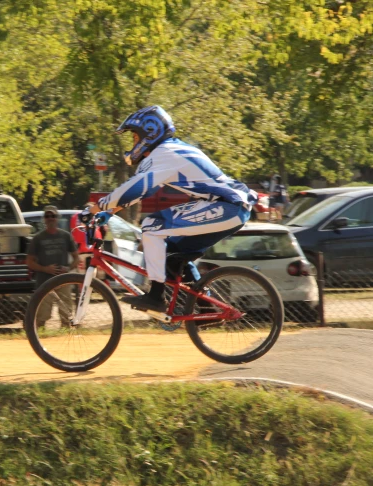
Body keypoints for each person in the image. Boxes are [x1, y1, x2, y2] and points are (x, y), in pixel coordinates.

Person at [83, 105, 258, 313]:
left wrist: (99, 206)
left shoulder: (164, 153)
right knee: (173, 255)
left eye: (135, 137)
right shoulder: (170, 150)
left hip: (227, 206)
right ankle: (208, 307)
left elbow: (137, 187)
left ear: (150, 132)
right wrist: (110, 211)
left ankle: (156, 296)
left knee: (151, 225)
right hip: (230, 208)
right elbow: (145, 191)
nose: (133, 143)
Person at [26, 205, 79, 327]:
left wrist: (68, 268)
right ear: (44, 219)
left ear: (57, 218)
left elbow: (77, 258)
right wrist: (45, 269)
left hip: (63, 280)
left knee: (67, 316)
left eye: (53, 216)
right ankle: (39, 337)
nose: (50, 218)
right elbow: (29, 261)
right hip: (44, 282)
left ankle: (65, 336)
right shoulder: (38, 238)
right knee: (41, 317)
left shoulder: (66, 236)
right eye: (47, 216)